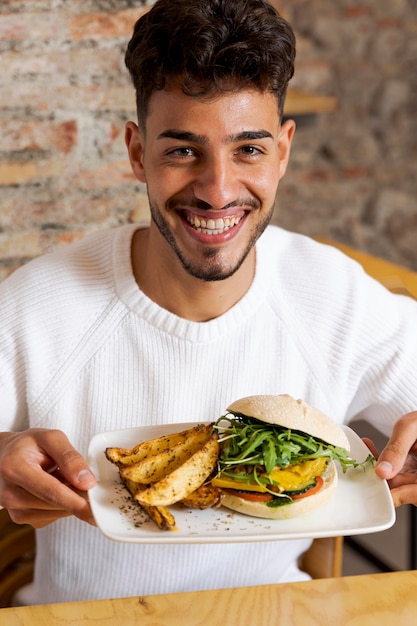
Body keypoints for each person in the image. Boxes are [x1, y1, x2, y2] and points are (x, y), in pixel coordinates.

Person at [0, 0, 416, 605]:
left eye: (248, 149)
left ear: (283, 151)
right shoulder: (39, 303)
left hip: (275, 613)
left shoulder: (334, 292)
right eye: (182, 150)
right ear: (138, 153)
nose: (217, 189)